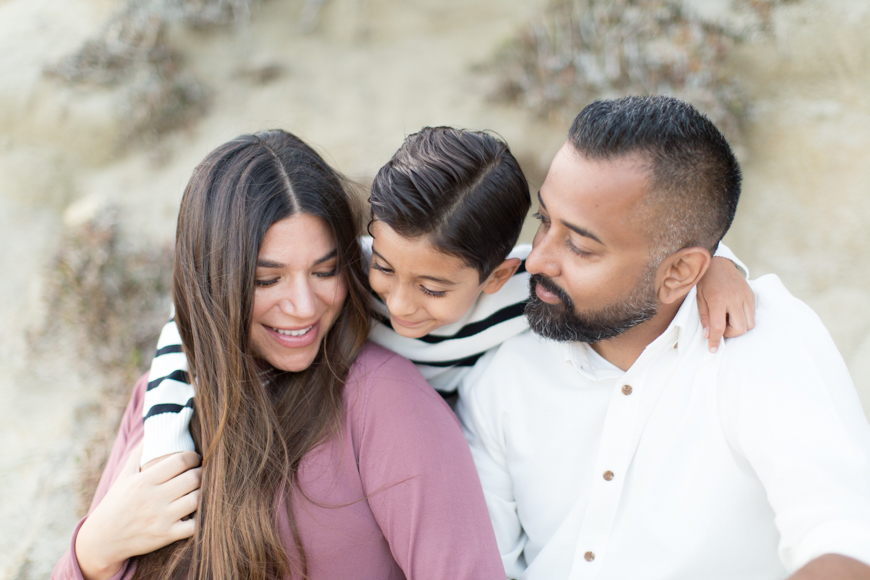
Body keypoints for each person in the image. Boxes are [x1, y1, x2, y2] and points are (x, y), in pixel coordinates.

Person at [139, 127, 756, 467]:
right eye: (385, 266)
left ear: (496, 275)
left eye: (433, 289)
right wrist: (165, 444)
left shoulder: (527, 295)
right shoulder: (339, 275)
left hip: (444, 457)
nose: (400, 302)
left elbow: (638, 259)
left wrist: (721, 264)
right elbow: (191, 321)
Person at [52, 130, 506, 580]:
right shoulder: (162, 401)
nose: (305, 306)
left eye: (325, 271)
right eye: (268, 280)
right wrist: (93, 551)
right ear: (214, 280)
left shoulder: (385, 401)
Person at [457, 96, 870, 579]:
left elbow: (843, 541)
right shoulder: (500, 370)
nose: (538, 260)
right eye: (544, 221)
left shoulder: (762, 341)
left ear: (679, 273)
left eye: (581, 247)